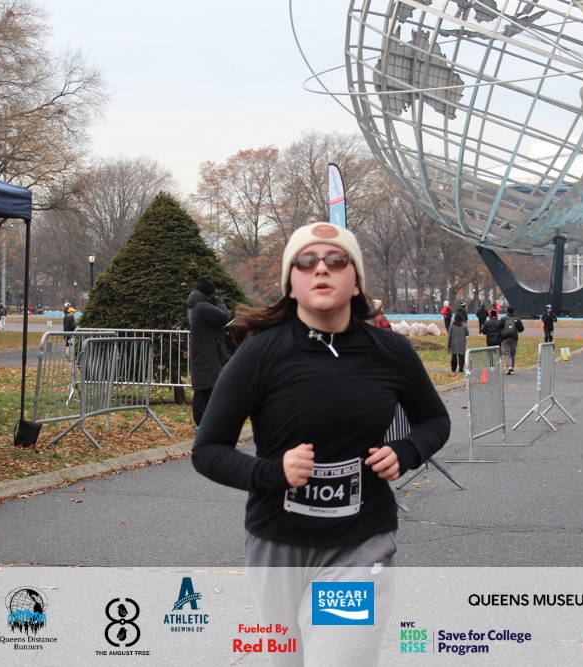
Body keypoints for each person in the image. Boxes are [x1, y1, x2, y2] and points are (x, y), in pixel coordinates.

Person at [191, 222, 450, 666]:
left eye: (336, 260)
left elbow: (434, 420)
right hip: (277, 544)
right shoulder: (259, 354)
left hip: (359, 542)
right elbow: (208, 450)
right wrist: (272, 472)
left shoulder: (390, 351)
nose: (321, 269)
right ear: (291, 285)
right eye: (306, 262)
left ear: (357, 282)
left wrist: (406, 451)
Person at [187, 276, 231, 427]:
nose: (214, 296)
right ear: (209, 293)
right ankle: (201, 423)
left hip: (206, 350)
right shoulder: (202, 307)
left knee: (208, 387)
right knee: (205, 388)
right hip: (207, 352)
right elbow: (223, 317)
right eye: (213, 294)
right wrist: (220, 302)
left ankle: (206, 422)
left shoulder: (195, 305)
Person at [498, 306, 524, 374]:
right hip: (514, 338)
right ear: (514, 312)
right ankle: (512, 367)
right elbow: (521, 329)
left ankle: (509, 366)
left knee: (506, 352)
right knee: (512, 353)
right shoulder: (517, 319)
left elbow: (498, 327)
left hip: (505, 338)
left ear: (507, 311)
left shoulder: (503, 319)